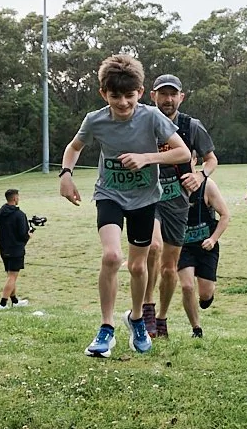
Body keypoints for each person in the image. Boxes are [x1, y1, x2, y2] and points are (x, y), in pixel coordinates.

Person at [58, 55, 191, 358]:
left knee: (137, 265)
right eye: (115, 96)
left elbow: (182, 153)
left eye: (129, 96)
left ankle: (135, 320)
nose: (122, 103)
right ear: (103, 93)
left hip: (145, 199)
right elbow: (73, 147)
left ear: (140, 92)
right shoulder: (95, 120)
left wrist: (147, 158)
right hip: (110, 195)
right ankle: (106, 328)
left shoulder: (153, 117)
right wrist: (66, 175)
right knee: (111, 255)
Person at [145, 74, 218, 339]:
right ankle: (147, 307)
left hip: (177, 201)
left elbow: (211, 159)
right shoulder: (144, 122)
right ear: (153, 95)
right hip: (149, 196)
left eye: (173, 94)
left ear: (181, 97)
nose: (168, 99)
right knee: (153, 247)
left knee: (168, 267)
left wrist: (200, 175)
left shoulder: (191, 126)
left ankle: (161, 318)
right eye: (163, 94)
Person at [175, 171, 231, 338]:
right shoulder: (172, 185)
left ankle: (206, 297)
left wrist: (213, 239)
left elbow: (225, 215)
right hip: (183, 246)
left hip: (206, 246)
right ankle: (196, 328)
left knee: (205, 294)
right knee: (187, 286)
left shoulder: (207, 185)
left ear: (194, 160)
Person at [0, 188, 32, 309]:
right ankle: (3, 303)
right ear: (15, 198)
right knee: (12, 277)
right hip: (16, 250)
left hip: (4, 249)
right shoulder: (19, 214)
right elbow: (22, 234)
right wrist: (29, 235)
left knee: (10, 275)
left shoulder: (0, 212)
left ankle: (15, 301)